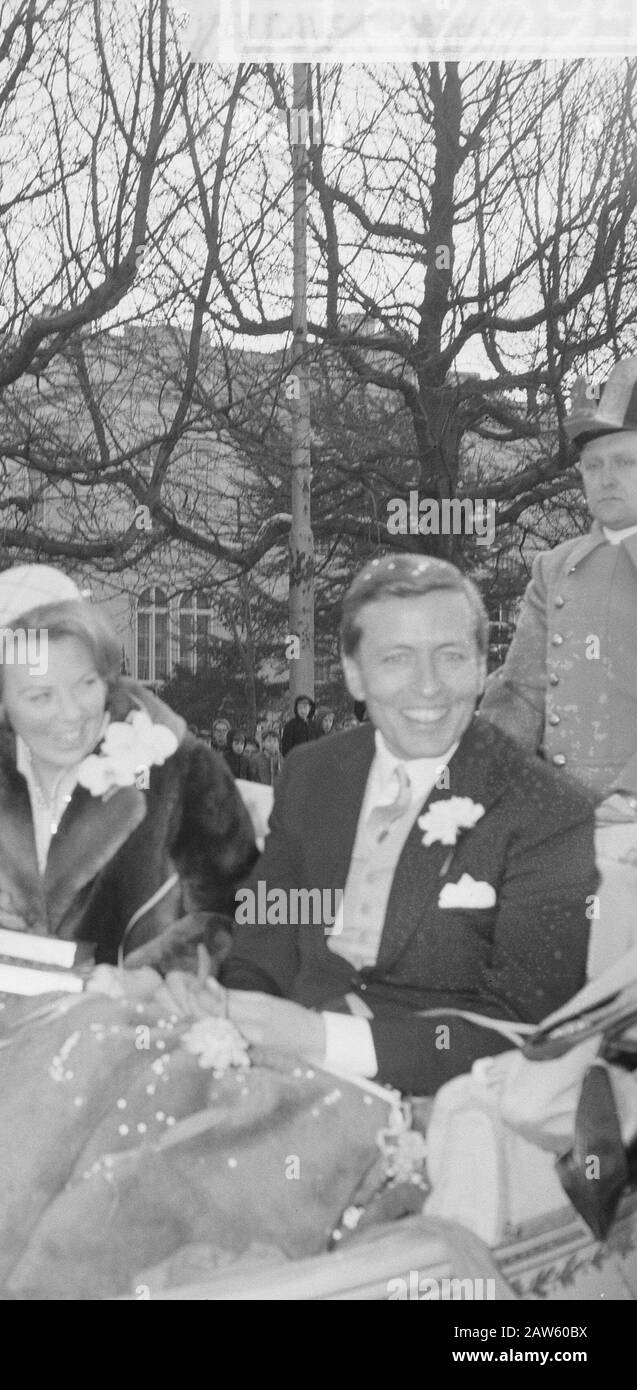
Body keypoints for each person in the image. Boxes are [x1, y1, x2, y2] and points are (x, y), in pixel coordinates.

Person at [215, 554, 598, 1097]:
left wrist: (321, 1040)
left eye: (451, 657)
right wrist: (238, 1018)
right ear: (353, 672)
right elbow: (266, 932)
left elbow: (525, 1027)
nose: (428, 687)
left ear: (482, 665)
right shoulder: (313, 772)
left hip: (435, 1098)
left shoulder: (547, 811)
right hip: (274, 1070)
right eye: (396, 659)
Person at [0, 565, 258, 969]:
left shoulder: (179, 769)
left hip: (138, 1031)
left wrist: (150, 982)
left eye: (86, 683)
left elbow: (239, 911)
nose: (71, 714)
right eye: (40, 696)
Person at [480, 357, 637, 974]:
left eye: (624, 462)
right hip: (564, 819)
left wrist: (627, 795)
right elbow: (519, 692)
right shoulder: (555, 566)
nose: (606, 478)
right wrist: (467, 778)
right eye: (593, 466)